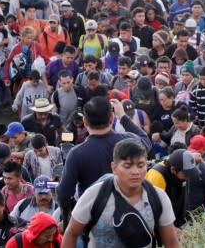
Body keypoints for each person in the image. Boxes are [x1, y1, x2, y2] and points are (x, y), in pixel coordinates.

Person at [61, 138, 179, 248]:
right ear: (114, 167)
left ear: (147, 165)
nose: (135, 172)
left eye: (140, 165)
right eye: (127, 166)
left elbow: (171, 241)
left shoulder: (158, 197)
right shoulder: (95, 194)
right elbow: (71, 233)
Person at [56, 97, 150, 226]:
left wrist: (70, 219)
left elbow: (63, 194)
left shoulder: (76, 154)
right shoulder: (128, 141)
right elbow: (146, 142)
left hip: (93, 220)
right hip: (130, 217)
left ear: (84, 121)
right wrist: (122, 116)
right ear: (111, 118)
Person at [145, 148, 198, 229]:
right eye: (186, 174)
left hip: (177, 223)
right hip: (162, 229)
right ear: (173, 170)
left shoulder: (181, 172)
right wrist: (172, 230)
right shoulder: (157, 177)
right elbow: (153, 212)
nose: (188, 177)